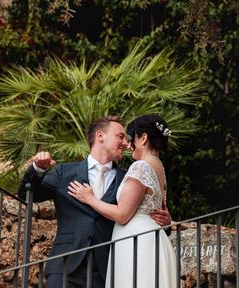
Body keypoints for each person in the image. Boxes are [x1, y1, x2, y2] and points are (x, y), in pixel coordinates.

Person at [19, 116, 170, 288]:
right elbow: (27, 195)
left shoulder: (128, 178)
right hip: (65, 265)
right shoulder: (64, 172)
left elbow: (147, 215)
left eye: (127, 139)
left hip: (106, 270)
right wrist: (38, 169)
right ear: (100, 136)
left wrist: (166, 221)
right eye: (120, 136)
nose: (126, 143)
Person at [68, 114, 177, 288]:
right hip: (151, 238)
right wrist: (168, 220)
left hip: (137, 241)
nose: (127, 144)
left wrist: (89, 198)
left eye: (131, 138)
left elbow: (122, 214)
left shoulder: (141, 166)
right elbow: (161, 209)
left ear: (143, 138)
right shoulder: (159, 168)